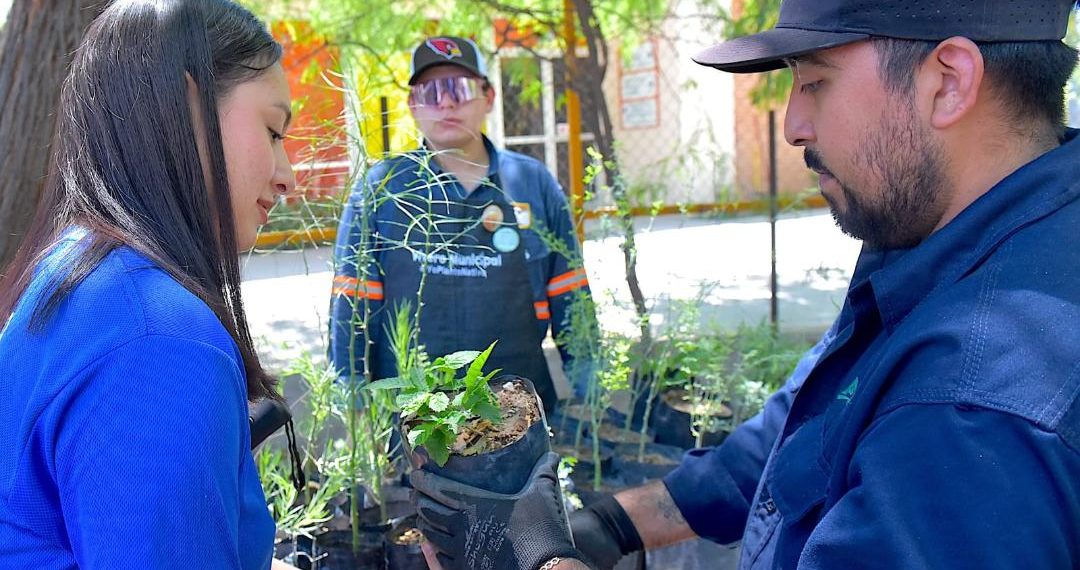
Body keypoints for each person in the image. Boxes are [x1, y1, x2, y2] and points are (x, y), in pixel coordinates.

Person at [410, 1, 1080, 569]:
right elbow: (799, 431)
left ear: (949, 83)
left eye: (815, 82)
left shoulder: (974, 409)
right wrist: (614, 524)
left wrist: (547, 560)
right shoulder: (947, 240)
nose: (792, 124)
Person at [0, 0, 300, 567]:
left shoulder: (77, 265)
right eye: (273, 130)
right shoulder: (159, 338)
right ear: (188, 107)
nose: (289, 178)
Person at [329, 36, 594, 412]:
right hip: (416, 423)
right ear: (412, 104)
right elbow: (351, 305)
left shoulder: (533, 182)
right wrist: (355, 404)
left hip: (519, 419)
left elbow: (572, 297)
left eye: (461, 87)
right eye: (431, 90)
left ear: (489, 96)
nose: (447, 102)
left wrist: (591, 400)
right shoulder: (382, 189)